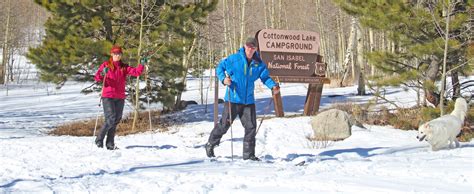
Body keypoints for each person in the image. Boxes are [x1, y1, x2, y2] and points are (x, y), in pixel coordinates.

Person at [205, 37, 280, 161]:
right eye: (248, 46)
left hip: (248, 101)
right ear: (245, 46)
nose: (250, 49)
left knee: (251, 127)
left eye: (253, 47)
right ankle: (210, 144)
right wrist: (224, 79)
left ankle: (249, 155)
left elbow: (265, 77)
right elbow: (220, 68)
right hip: (233, 99)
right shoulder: (234, 59)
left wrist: (273, 86)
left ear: (256, 48)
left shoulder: (258, 63)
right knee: (224, 125)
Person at [94, 45, 146, 150]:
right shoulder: (106, 65)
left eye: (119, 54)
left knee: (116, 119)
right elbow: (97, 78)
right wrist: (102, 73)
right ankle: (99, 139)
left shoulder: (124, 67)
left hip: (120, 97)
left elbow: (137, 72)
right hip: (108, 96)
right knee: (111, 118)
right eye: (115, 54)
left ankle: (110, 144)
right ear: (112, 54)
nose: (117, 55)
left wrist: (142, 64)